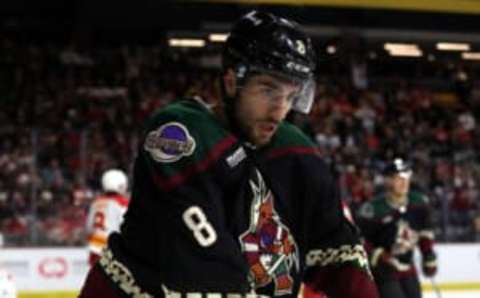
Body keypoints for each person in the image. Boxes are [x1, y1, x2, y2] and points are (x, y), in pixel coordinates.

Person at [80, 10, 378, 298]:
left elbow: (339, 251)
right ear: (232, 81)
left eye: (290, 95)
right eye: (268, 90)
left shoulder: (296, 151)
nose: (280, 109)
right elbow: (206, 263)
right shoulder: (179, 132)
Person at [355, 158, 438, 298]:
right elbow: (358, 239)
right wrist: (378, 254)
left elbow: (425, 232)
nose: (404, 182)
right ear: (388, 181)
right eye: (398, 178)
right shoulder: (372, 209)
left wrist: (428, 254)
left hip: (408, 267)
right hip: (383, 270)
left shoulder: (419, 203)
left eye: (406, 177)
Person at [85, 169, 129, 266]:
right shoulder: (123, 203)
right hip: (113, 251)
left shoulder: (96, 203)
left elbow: (88, 228)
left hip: (95, 249)